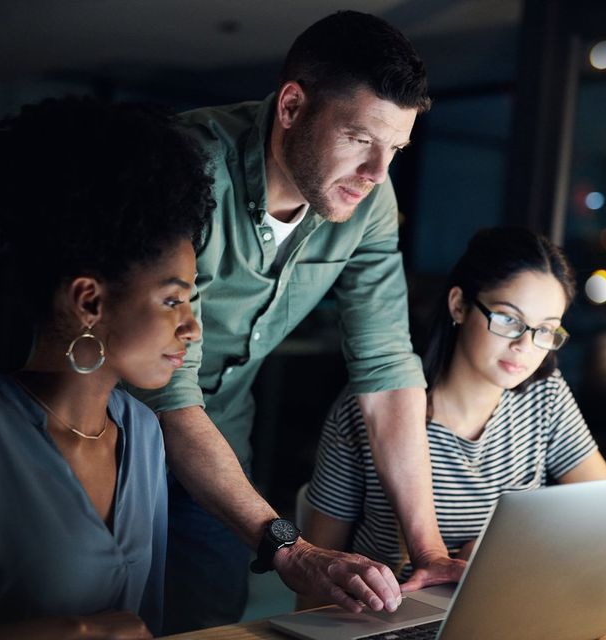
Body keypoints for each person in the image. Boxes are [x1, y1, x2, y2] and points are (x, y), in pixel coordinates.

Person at [128, 10, 462, 633]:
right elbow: (163, 393)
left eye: (395, 149)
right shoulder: (185, 166)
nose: (377, 174)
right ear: (291, 107)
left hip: (221, 453)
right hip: (107, 443)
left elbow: (387, 368)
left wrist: (431, 553)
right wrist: (292, 547)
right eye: (361, 138)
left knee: (209, 630)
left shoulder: (369, 201)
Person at [0, 96, 212, 639]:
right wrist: (76, 632)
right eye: (174, 301)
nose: (192, 328)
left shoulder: (145, 435)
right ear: (89, 302)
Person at [301, 226, 606, 597]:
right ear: (459, 305)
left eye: (545, 330)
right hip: (390, 615)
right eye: (508, 319)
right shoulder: (371, 407)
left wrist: (493, 552)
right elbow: (318, 577)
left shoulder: (544, 396)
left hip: (502, 603)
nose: (525, 345)